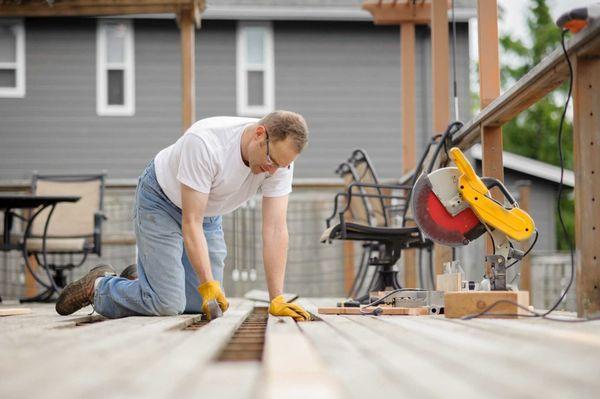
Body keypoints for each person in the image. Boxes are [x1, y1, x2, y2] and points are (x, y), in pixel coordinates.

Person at [55, 110, 311, 321]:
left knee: (203, 305)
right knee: (166, 304)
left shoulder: (279, 162)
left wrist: (276, 297)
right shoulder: (206, 143)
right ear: (259, 134)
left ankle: (143, 280)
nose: (274, 170)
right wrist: (208, 282)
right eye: (272, 161)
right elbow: (191, 222)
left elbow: (276, 229)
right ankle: (99, 287)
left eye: (282, 165)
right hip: (161, 201)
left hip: (207, 213)